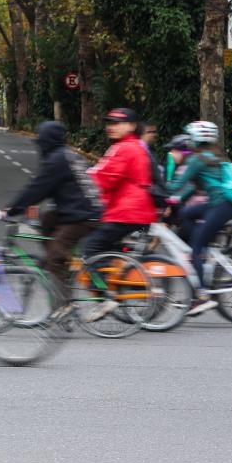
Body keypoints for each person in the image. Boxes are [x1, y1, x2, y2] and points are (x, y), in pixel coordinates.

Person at [6, 121, 102, 315]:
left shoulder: (57, 160)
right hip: (80, 210)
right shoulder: (66, 154)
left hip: (83, 216)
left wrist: (12, 210)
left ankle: (64, 303)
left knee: (55, 257)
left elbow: (38, 187)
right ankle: (59, 262)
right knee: (47, 220)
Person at [82, 108, 157, 322]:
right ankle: (119, 276)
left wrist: (76, 186)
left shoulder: (123, 148)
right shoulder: (134, 147)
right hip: (134, 209)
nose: (111, 126)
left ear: (132, 126)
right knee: (108, 248)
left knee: (91, 248)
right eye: (109, 122)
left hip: (127, 211)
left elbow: (102, 176)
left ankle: (106, 296)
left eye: (117, 123)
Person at [167, 121, 232, 316]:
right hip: (224, 204)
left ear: (197, 139)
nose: (188, 141)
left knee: (195, 249)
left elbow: (177, 184)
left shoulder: (197, 159)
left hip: (221, 206)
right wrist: (178, 200)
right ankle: (203, 256)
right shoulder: (216, 155)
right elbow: (193, 187)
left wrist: (153, 191)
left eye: (190, 137)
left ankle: (201, 295)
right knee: (186, 213)